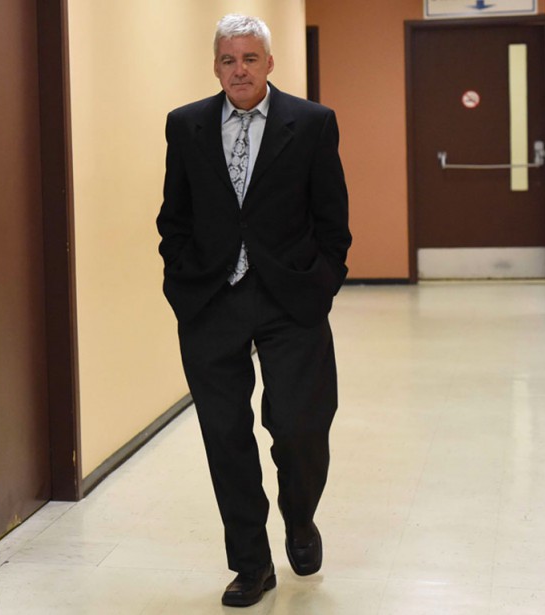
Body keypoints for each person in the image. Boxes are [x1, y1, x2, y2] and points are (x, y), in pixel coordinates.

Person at [156, 14, 352, 607]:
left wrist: (322, 283)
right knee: (225, 436)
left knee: (299, 426)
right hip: (210, 299)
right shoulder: (186, 125)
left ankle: (300, 516)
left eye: (249, 59)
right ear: (215, 67)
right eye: (228, 60)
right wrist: (180, 277)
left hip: (290, 297)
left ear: (269, 63)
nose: (238, 70)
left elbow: (332, 218)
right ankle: (251, 562)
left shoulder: (311, 123)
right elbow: (174, 214)